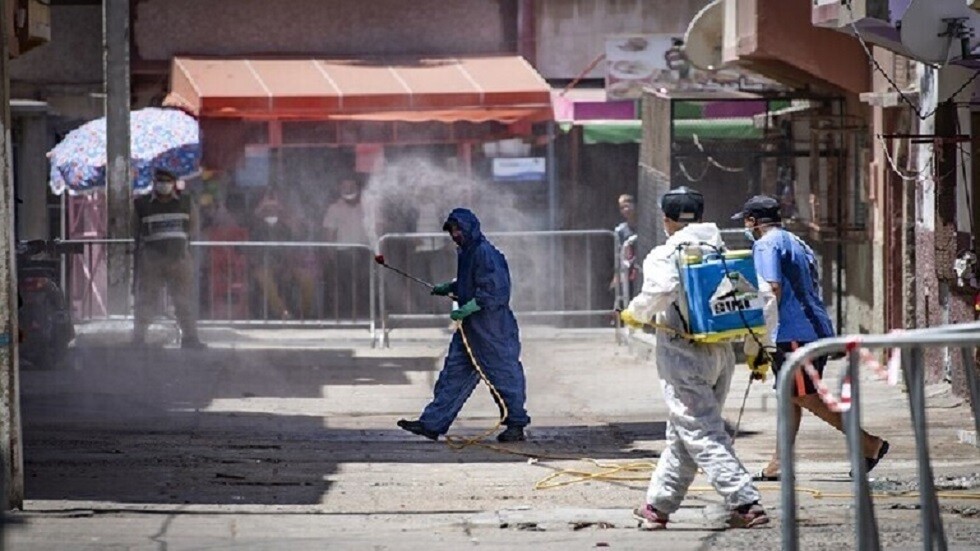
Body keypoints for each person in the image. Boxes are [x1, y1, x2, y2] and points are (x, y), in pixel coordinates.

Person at [619, 186, 768, 530]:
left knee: (702, 432)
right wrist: (757, 348)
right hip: (720, 354)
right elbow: (755, 300)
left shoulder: (664, 253)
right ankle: (658, 506)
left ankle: (746, 502)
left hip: (683, 356)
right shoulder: (721, 249)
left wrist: (634, 312)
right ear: (700, 216)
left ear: (666, 220)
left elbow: (660, 290)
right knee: (684, 432)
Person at [733, 195, 889, 481]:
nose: (746, 227)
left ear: (753, 221)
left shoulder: (765, 244)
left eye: (746, 221)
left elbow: (772, 290)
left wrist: (757, 336)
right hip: (810, 327)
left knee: (805, 396)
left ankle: (870, 445)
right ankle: (778, 463)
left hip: (794, 332)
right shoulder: (795, 241)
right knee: (789, 398)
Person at [397, 208, 530, 443]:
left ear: (469, 227)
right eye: (452, 230)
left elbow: (495, 290)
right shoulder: (467, 253)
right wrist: (451, 287)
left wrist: (469, 306)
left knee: (503, 377)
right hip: (470, 330)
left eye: (458, 229)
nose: (455, 234)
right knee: (453, 375)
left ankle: (516, 424)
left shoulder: (485, 253)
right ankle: (432, 424)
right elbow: (471, 282)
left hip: (493, 330)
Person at [132, 168, 206, 349]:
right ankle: (138, 338)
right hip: (152, 261)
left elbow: (193, 228)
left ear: (173, 183)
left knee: (183, 301)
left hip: (179, 259)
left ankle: (190, 338)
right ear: (154, 182)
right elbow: (135, 230)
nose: (163, 184)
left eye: (167, 180)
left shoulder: (186, 203)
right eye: (160, 180)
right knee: (146, 300)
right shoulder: (141, 204)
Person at [322, 177, 372, 319]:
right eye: (345, 186)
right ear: (340, 188)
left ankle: (364, 315)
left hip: (364, 252)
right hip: (343, 253)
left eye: (351, 185)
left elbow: (376, 227)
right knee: (345, 286)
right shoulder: (334, 208)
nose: (348, 189)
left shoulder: (366, 206)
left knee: (364, 285)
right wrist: (330, 253)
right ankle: (346, 315)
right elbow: (329, 233)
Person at [611, 194, 639, 306]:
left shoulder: (645, 224)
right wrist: (617, 275)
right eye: (622, 208)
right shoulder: (620, 230)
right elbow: (619, 254)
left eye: (627, 206)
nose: (625, 210)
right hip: (629, 268)